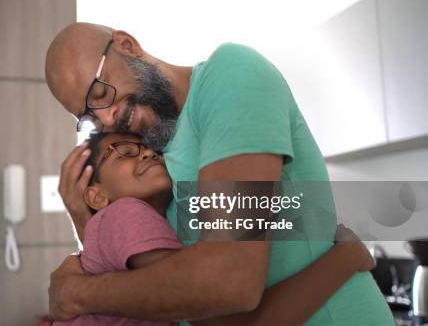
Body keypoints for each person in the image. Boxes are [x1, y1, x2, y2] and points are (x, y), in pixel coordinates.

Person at [45, 23, 394, 324]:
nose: (106, 119)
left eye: (101, 93)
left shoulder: (230, 75)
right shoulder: (152, 155)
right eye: (90, 117)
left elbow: (229, 279)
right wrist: (90, 223)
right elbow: (157, 273)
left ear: (127, 45)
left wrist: (80, 293)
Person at [53, 131, 375, 326]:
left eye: (149, 145)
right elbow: (224, 317)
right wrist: (346, 258)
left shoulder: (128, 224)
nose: (149, 151)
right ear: (95, 194)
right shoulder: (125, 213)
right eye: (124, 150)